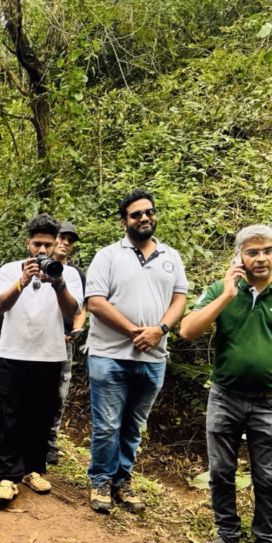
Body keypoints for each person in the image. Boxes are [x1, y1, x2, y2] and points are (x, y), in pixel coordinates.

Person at [179, 224, 272, 543]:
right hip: (225, 397)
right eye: (252, 252)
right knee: (221, 471)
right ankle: (227, 536)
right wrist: (226, 294)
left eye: (267, 250)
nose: (261, 258)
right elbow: (187, 330)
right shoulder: (220, 289)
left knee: (267, 479)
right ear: (239, 256)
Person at [85, 189, 187, 515]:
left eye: (148, 212)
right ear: (123, 222)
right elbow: (95, 302)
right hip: (108, 354)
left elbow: (180, 299)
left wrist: (161, 330)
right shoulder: (108, 256)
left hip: (153, 359)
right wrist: (134, 331)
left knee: (133, 426)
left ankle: (121, 480)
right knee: (107, 425)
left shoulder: (171, 257)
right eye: (136, 214)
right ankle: (100, 479)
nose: (144, 218)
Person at [0, 215, 83, 503]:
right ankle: (7, 476)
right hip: (12, 352)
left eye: (47, 244)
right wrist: (22, 281)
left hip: (50, 354)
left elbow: (71, 311)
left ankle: (33, 469)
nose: (41, 251)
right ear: (27, 243)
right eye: (36, 244)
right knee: (9, 415)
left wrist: (57, 283)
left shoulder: (69, 275)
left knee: (41, 416)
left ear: (56, 244)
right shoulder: (8, 270)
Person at [47, 220, 87, 464]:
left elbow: (80, 308)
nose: (65, 243)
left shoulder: (75, 274)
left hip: (64, 342)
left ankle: (50, 440)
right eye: (62, 237)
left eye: (70, 240)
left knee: (59, 392)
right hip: (38, 340)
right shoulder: (35, 267)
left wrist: (76, 329)